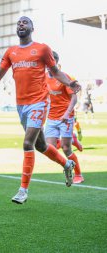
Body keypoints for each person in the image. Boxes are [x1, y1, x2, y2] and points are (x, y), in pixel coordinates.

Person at [0, 16, 81, 204]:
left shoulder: (42, 49)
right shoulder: (11, 52)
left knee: (27, 144)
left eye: (25, 22)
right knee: (40, 145)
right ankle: (67, 163)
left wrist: (70, 83)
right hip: (21, 105)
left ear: (32, 27)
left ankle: (23, 190)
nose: (21, 24)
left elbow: (56, 72)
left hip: (39, 102)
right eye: (18, 23)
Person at [45, 51, 84, 184]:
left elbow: (74, 98)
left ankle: (78, 174)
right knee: (49, 148)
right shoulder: (43, 77)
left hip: (66, 117)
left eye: (51, 62)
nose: (48, 65)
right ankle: (71, 140)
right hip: (51, 117)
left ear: (55, 63)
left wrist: (67, 113)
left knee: (66, 149)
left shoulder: (64, 77)